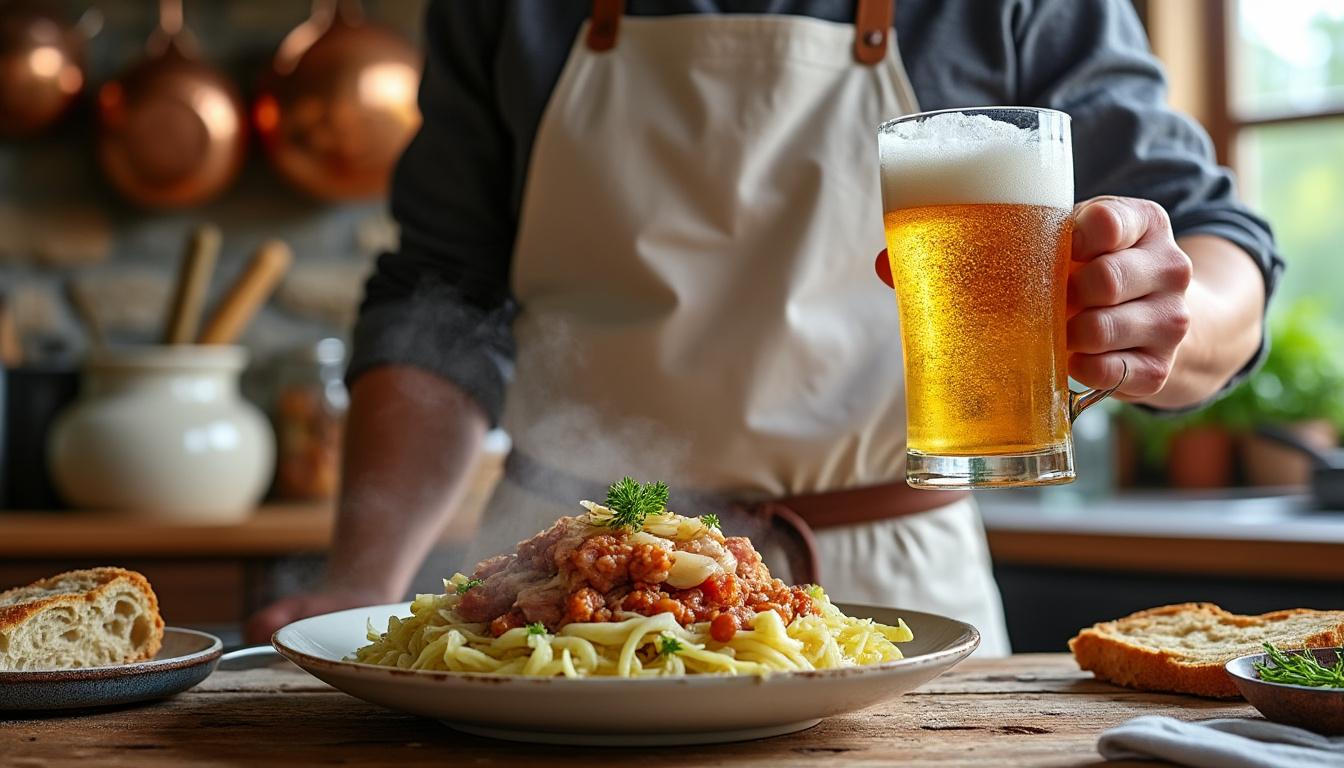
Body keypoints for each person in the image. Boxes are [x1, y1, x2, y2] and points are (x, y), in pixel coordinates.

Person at [246, 0, 1281, 654]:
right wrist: (365, 583)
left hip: (892, 589)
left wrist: (1164, 317)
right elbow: (440, 302)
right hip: (558, 592)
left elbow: (1217, 243)